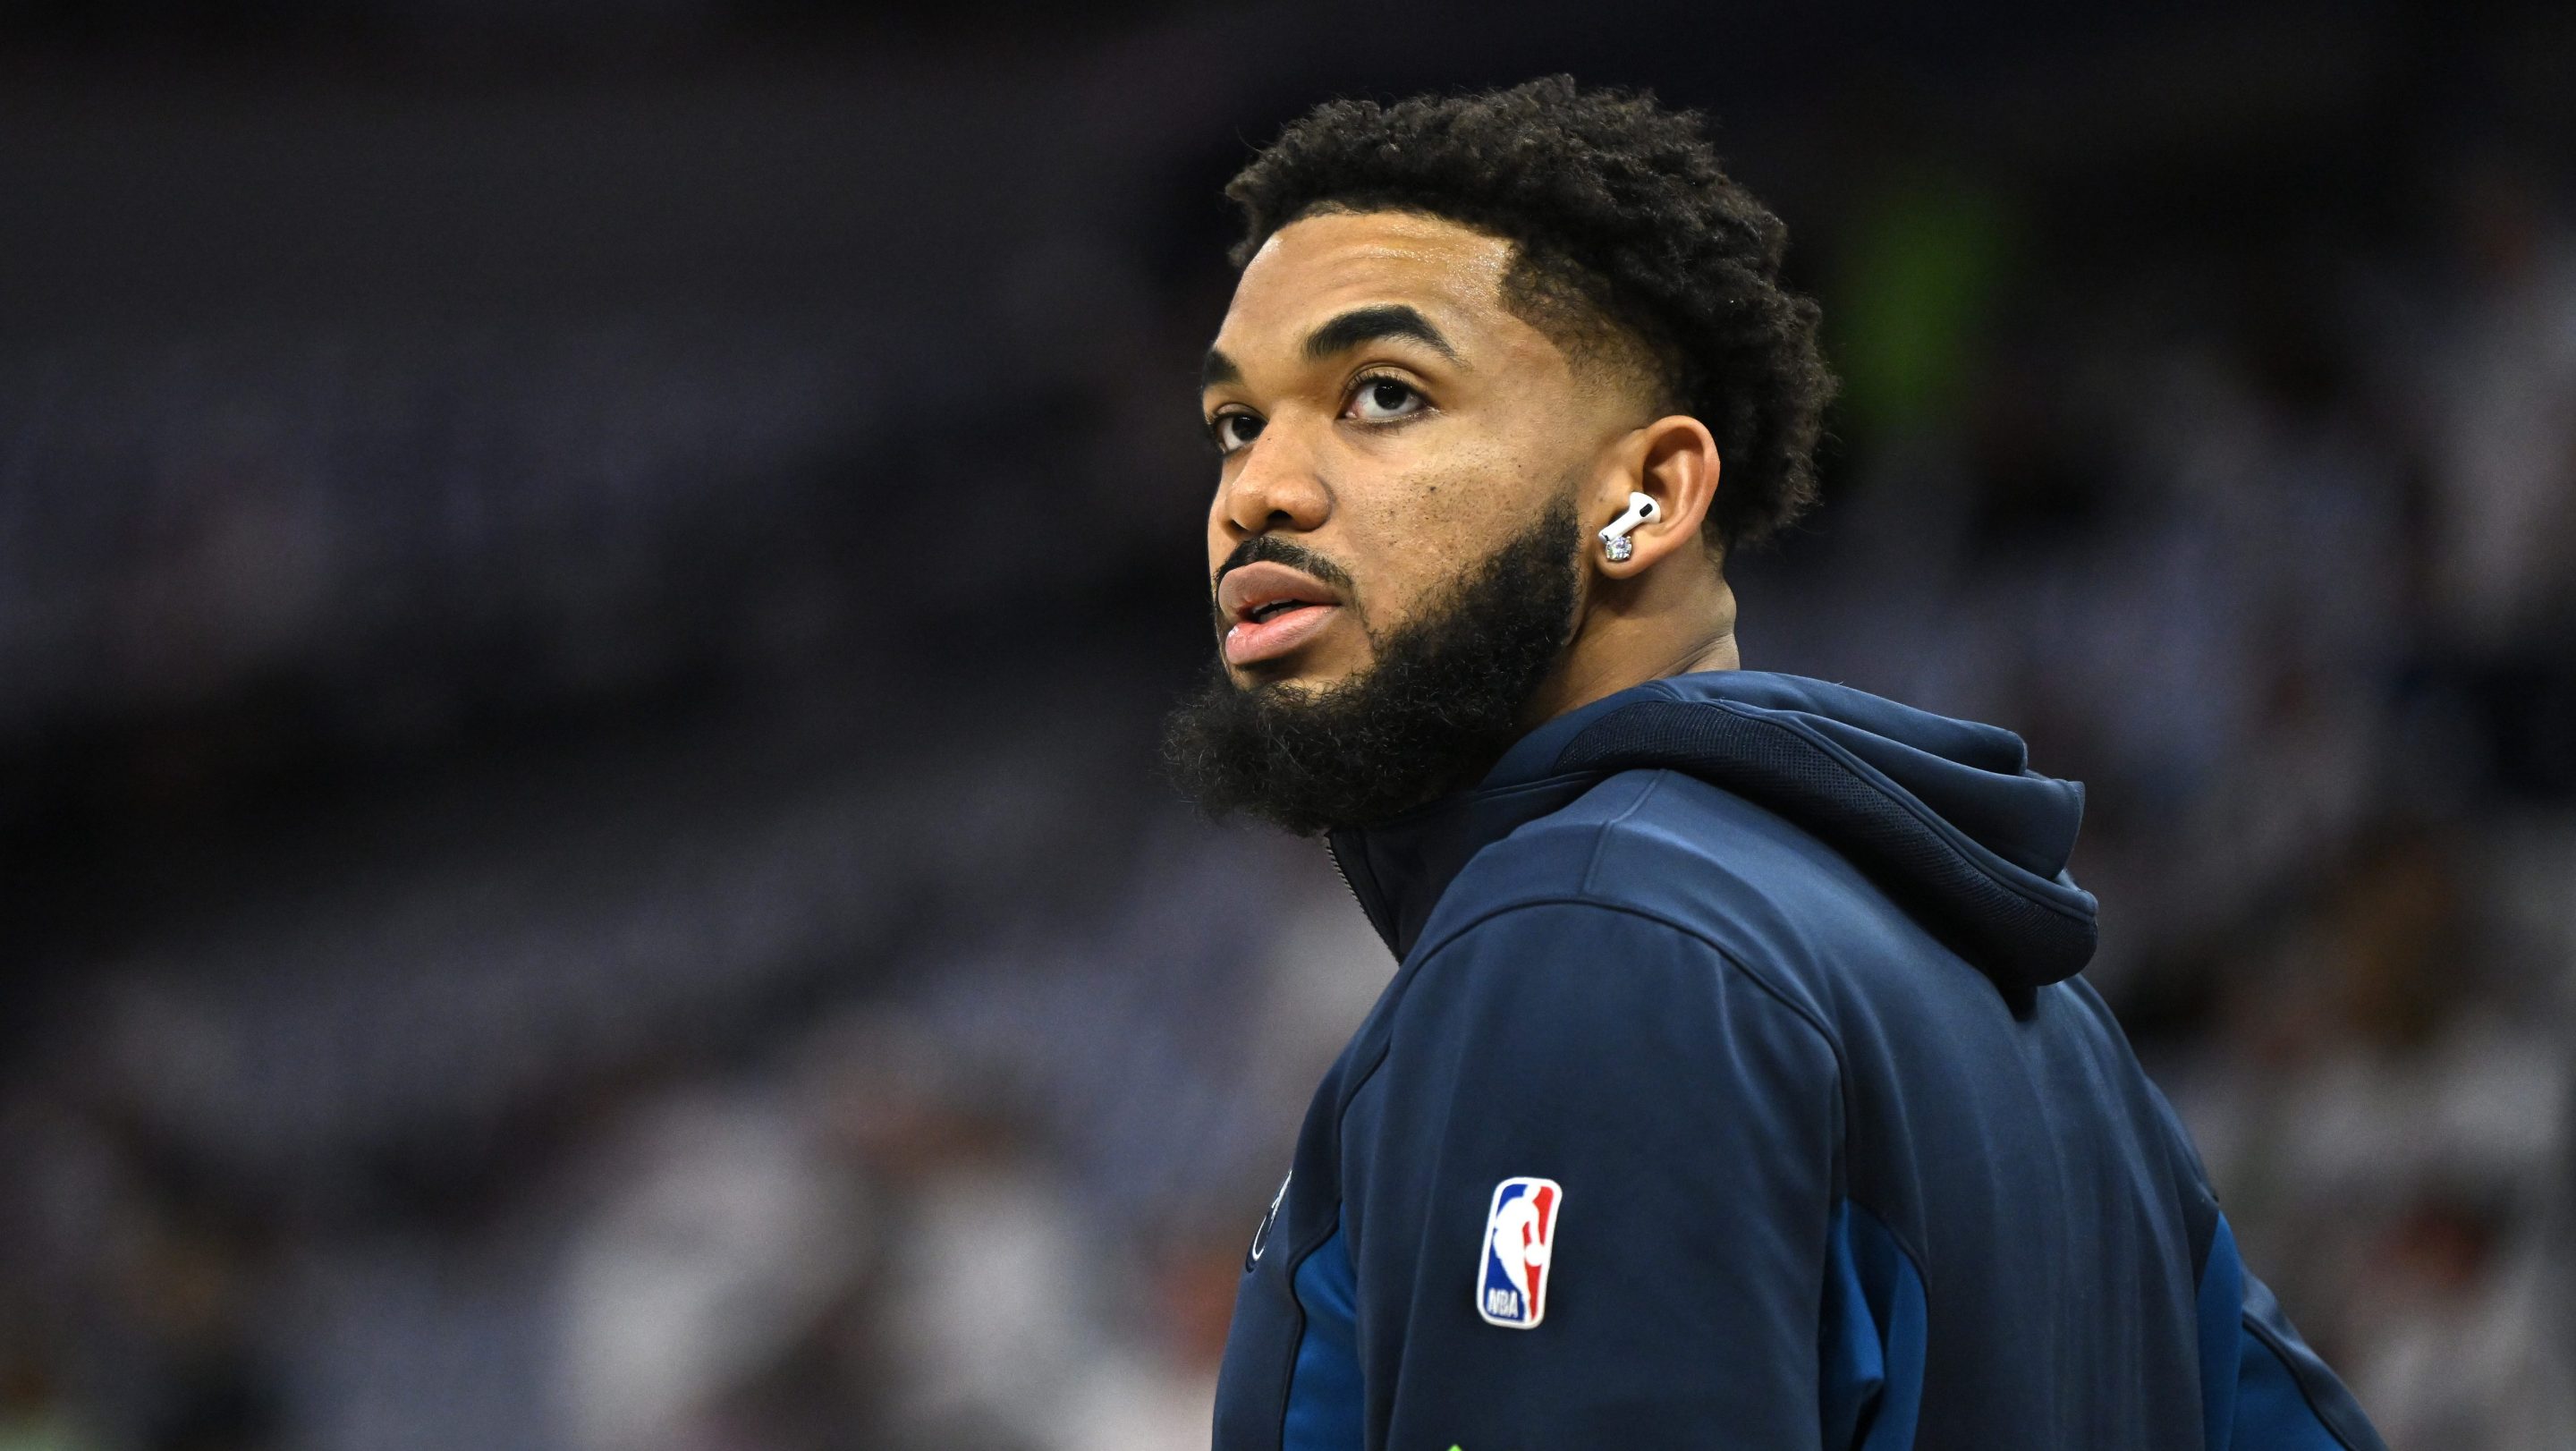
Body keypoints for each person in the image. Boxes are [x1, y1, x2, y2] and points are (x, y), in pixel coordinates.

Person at [1163, 78, 2389, 1450]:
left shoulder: (1589, 939)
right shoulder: (2029, 1012)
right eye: (1236, 422)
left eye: (1382, 393)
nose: (1256, 489)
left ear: (1648, 498)